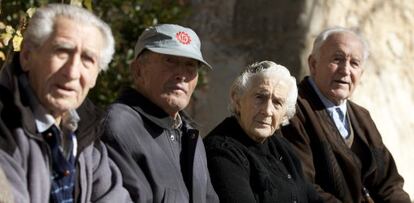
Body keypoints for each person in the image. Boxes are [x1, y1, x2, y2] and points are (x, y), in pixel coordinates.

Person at [0, 4, 132, 203]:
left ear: (96, 76)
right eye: (62, 51)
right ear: (27, 56)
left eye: (87, 59)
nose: (72, 72)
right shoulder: (5, 126)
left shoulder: (85, 130)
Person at [281, 27, 411, 203]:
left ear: (361, 74)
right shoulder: (293, 110)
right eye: (337, 59)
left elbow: (389, 185)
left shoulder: (362, 117)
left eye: (354, 63)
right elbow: (303, 185)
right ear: (313, 64)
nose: (345, 70)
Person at [100, 24, 219, 203]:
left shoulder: (191, 136)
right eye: (170, 61)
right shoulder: (118, 127)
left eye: (190, 65)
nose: (182, 75)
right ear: (138, 70)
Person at [204, 61, 323, 203]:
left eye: (277, 103)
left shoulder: (282, 147)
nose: (267, 111)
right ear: (237, 100)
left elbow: (312, 197)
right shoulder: (221, 150)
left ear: (285, 114)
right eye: (260, 97)